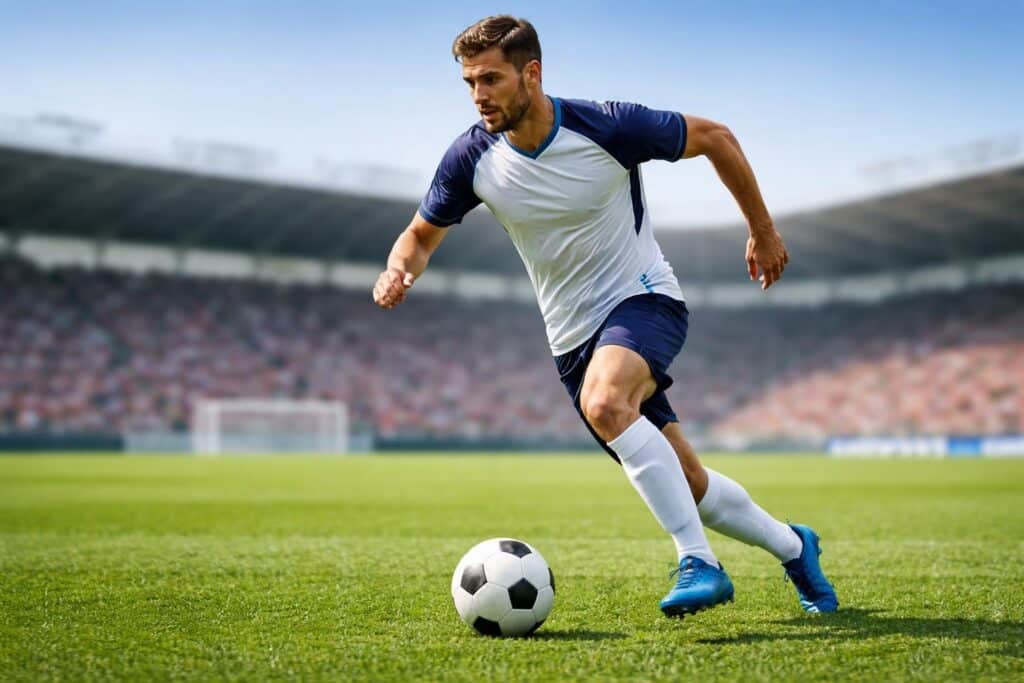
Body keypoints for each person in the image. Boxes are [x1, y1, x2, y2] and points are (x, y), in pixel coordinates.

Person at [373, 15, 837, 617]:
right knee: (689, 483)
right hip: (571, 340)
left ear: (531, 73)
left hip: (643, 299)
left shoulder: (609, 125)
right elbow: (418, 236)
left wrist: (763, 230)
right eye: (469, 82)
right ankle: (794, 546)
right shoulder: (470, 158)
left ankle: (697, 561)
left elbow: (717, 137)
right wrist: (397, 269)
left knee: (605, 403)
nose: (479, 94)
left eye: (490, 78)